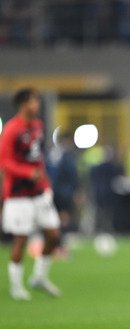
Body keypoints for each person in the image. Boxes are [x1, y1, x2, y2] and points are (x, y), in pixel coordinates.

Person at [0, 88, 61, 300]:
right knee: (21, 238)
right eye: (33, 101)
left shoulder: (37, 127)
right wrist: (28, 172)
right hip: (18, 194)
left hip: (37, 192)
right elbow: (4, 162)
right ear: (23, 104)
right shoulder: (11, 129)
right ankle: (16, 286)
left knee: (53, 233)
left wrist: (45, 183)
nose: (37, 105)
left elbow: (38, 159)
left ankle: (39, 277)